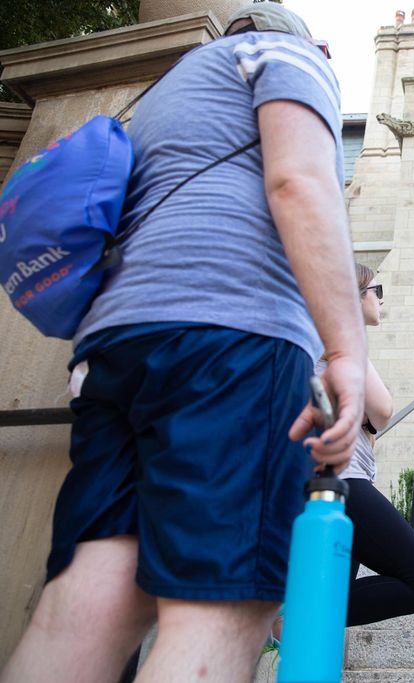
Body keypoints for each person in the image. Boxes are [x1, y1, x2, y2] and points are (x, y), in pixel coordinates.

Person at [0, 5, 367, 683]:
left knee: (86, 605)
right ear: (312, 45)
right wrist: (344, 352)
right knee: (218, 611)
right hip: (230, 347)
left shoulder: (166, 94)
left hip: (113, 351)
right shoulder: (288, 60)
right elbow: (298, 182)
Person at [320, 264, 414, 626]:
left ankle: (296, 622)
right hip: (342, 479)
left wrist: (367, 416)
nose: (382, 298)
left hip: (335, 477)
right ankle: (289, 615)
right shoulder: (342, 339)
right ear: (354, 294)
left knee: (333, 593)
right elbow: (384, 410)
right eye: (378, 289)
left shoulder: (327, 340)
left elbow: (373, 420)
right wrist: (368, 416)